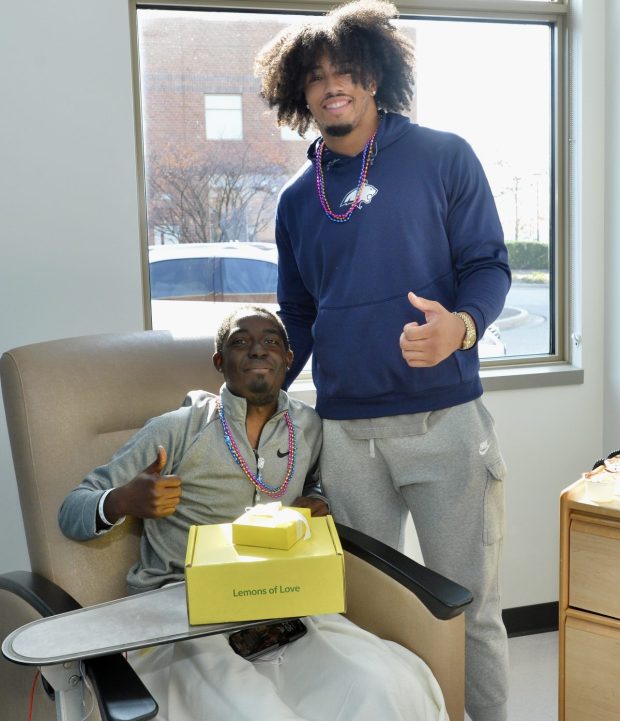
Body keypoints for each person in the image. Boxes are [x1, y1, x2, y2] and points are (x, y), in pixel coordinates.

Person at [255, 3, 512, 721]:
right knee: (367, 618)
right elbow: (298, 317)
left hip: (445, 424)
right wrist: (255, 387)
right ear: (297, 92)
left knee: (468, 611)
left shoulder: (442, 155)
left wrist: (460, 328)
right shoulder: (295, 200)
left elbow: (488, 264)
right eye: (315, 77)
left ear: (376, 76)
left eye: (346, 71)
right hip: (347, 439)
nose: (332, 86)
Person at [58, 305, 448, 721]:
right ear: (219, 362)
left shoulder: (311, 427)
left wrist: (316, 500)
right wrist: (122, 500)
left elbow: (316, 481)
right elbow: (73, 509)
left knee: (381, 687)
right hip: (185, 611)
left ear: (288, 359)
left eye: (272, 342)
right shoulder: (176, 429)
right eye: (240, 342)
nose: (258, 349)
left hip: (284, 604)